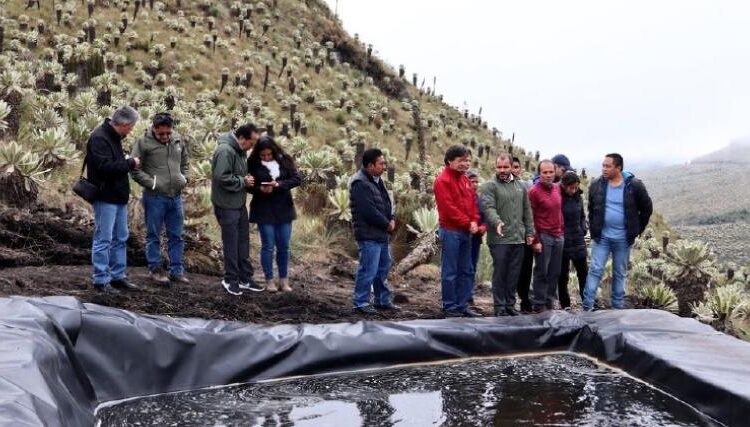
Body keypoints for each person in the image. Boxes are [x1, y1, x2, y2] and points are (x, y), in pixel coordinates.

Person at [582, 154, 653, 311]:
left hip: (623, 239)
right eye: (603, 166)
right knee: (595, 269)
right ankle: (587, 306)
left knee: (620, 273)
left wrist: (636, 230)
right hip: (602, 237)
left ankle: (617, 309)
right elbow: (592, 209)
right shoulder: (596, 185)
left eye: (608, 166)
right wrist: (594, 229)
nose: (604, 169)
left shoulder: (634, 186)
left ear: (618, 168)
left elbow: (647, 208)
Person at [86, 106, 141, 294]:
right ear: (124, 124)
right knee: (104, 239)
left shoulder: (114, 137)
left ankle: (118, 276)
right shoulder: (99, 138)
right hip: (105, 197)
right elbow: (105, 167)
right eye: (131, 126)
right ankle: (100, 280)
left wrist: (125, 161)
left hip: (118, 197)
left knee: (120, 238)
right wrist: (130, 163)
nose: (132, 130)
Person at [130, 112, 190, 286]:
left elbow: (185, 161)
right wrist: (152, 183)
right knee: (153, 235)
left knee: (177, 235)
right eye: (161, 133)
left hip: (176, 197)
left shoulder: (177, 140)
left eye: (168, 133)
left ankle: (177, 271)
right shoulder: (143, 143)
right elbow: (134, 169)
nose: (165, 137)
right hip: (155, 197)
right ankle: (155, 269)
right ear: (154, 129)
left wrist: (185, 177)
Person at [211, 123, 263, 296]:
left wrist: (248, 181)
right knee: (231, 244)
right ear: (242, 138)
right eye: (252, 142)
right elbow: (221, 177)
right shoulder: (226, 151)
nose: (253, 146)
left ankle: (244, 278)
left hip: (238, 204)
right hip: (226, 206)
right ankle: (230, 279)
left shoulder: (240, 152)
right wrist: (243, 182)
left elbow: (237, 175)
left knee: (242, 242)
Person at [480, 154, 535, 316]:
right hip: (499, 239)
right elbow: (488, 207)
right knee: (500, 273)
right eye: (499, 167)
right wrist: (496, 222)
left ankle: (510, 306)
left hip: (518, 238)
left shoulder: (520, 186)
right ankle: (499, 307)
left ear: (512, 167)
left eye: (505, 167)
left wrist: (530, 231)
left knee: (513, 274)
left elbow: (527, 211)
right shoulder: (490, 186)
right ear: (495, 167)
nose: (502, 170)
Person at [247, 136, 301, 292]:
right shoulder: (252, 163)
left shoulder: (285, 160)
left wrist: (278, 185)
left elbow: (297, 179)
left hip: (284, 209)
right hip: (263, 210)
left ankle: (283, 281)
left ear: (274, 151)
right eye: (263, 155)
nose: (266, 157)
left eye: (269, 154)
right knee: (268, 246)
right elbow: (248, 186)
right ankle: (269, 280)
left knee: (284, 246)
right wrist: (259, 189)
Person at [433, 145, 483, 318]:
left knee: (467, 270)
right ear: (450, 161)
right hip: (451, 231)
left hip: (466, 232)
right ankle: (450, 307)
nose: (465, 164)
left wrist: (475, 220)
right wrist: (469, 223)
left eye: (468, 160)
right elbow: (448, 209)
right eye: (461, 160)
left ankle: (462, 306)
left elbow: (473, 204)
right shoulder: (442, 181)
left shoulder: (465, 180)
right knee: (450, 271)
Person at [349, 148, 398, 314]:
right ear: (370, 165)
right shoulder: (360, 183)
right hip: (369, 234)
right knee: (368, 269)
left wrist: (392, 218)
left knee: (383, 268)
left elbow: (387, 204)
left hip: (381, 234)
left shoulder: (377, 181)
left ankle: (382, 300)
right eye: (381, 163)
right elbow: (368, 211)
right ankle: (361, 303)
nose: (384, 166)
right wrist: (387, 224)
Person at [528, 160, 565, 313]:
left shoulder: (557, 188)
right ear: (539, 173)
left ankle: (550, 302)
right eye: (545, 172)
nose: (548, 175)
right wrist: (535, 240)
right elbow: (530, 217)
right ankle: (539, 304)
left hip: (558, 236)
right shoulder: (534, 192)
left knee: (555, 271)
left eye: (551, 172)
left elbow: (559, 211)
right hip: (544, 236)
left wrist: (562, 229)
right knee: (542, 271)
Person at [558, 171, 588, 309]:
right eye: (571, 187)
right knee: (563, 276)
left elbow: (582, 216)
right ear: (564, 186)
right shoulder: (558, 197)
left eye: (576, 187)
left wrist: (583, 228)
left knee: (583, 273)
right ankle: (565, 304)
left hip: (578, 240)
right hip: (563, 241)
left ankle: (587, 302)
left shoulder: (578, 198)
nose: (574, 190)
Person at [512, 156, 534, 312]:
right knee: (509, 270)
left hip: (525, 235)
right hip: (507, 237)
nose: (513, 170)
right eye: (510, 166)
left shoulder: (528, 186)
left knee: (526, 270)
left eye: (516, 167)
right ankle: (507, 303)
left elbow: (531, 211)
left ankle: (525, 301)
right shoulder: (496, 186)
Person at [466, 170, 487, 306]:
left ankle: (469, 295)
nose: (475, 184)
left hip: (476, 239)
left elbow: (484, 217)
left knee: (472, 266)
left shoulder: (479, 200)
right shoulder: (462, 197)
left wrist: (484, 226)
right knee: (463, 267)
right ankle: (460, 295)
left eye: (476, 182)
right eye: (472, 181)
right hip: (465, 237)